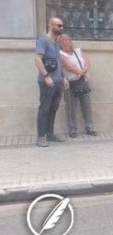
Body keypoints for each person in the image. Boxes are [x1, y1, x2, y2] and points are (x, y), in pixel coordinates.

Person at [34, 17, 69, 147]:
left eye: (62, 26)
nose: (61, 28)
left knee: (53, 108)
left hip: (58, 81)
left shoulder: (56, 42)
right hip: (47, 82)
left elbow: (58, 62)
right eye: (59, 26)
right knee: (44, 109)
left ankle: (50, 133)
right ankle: (41, 137)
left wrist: (63, 77)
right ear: (51, 25)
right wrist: (46, 76)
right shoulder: (43, 41)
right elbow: (38, 59)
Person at [58, 34, 97, 138]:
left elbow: (87, 62)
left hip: (82, 81)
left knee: (86, 105)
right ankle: (72, 129)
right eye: (62, 40)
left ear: (70, 41)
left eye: (67, 39)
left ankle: (89, 128)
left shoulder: (78, 51)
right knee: (71, 107)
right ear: (60, 43)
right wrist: (83, 73)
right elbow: (68, 67)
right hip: (70, 83)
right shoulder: (60, 53)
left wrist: (83, 72)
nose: (65, 42)